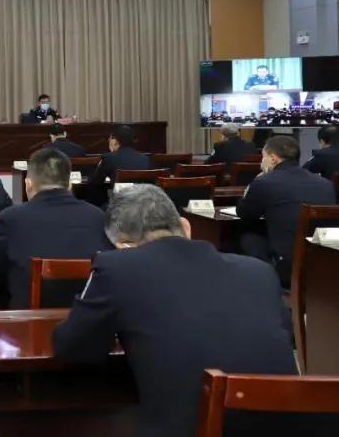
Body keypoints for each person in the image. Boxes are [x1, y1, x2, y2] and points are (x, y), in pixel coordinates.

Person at [53, 185, 297, 437]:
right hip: (286, 425)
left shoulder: (116, 267)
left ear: (122, 245)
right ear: (185, 227)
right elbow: (283, 338)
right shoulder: (259, 271)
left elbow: (71, 347)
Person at [0, 148, 110, 308]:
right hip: (88, 317)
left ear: (28, 184)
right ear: (69, 185)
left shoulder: (10, 218)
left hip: (28, 319)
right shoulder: (99, 217)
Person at [236, 135, 336, 286]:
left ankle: (260, 286)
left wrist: (254, 183)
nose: (261, 162)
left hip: (287, 267)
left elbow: (244, 213)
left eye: (263, 157)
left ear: (273, 158)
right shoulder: (326, 184)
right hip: (324, 263)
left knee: (247, 238)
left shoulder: (264, 182)